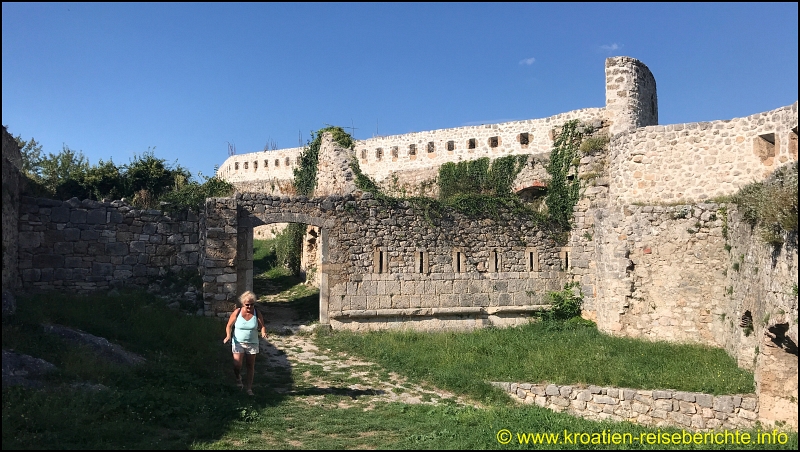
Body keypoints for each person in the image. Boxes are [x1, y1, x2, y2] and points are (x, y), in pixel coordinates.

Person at [223, 291, 267, 396]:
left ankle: (249, 388)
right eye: (247, 304)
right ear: (243, 304)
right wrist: (228, 336)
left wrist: (263, 332)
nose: (249, 306)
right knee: (237, 364)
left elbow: (262, 326)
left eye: (252, 304)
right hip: (238, 342)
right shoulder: (237, 312)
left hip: (252, 343)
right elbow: (229, 325)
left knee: (250, 365)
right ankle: (238, 377)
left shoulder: (257, 313)